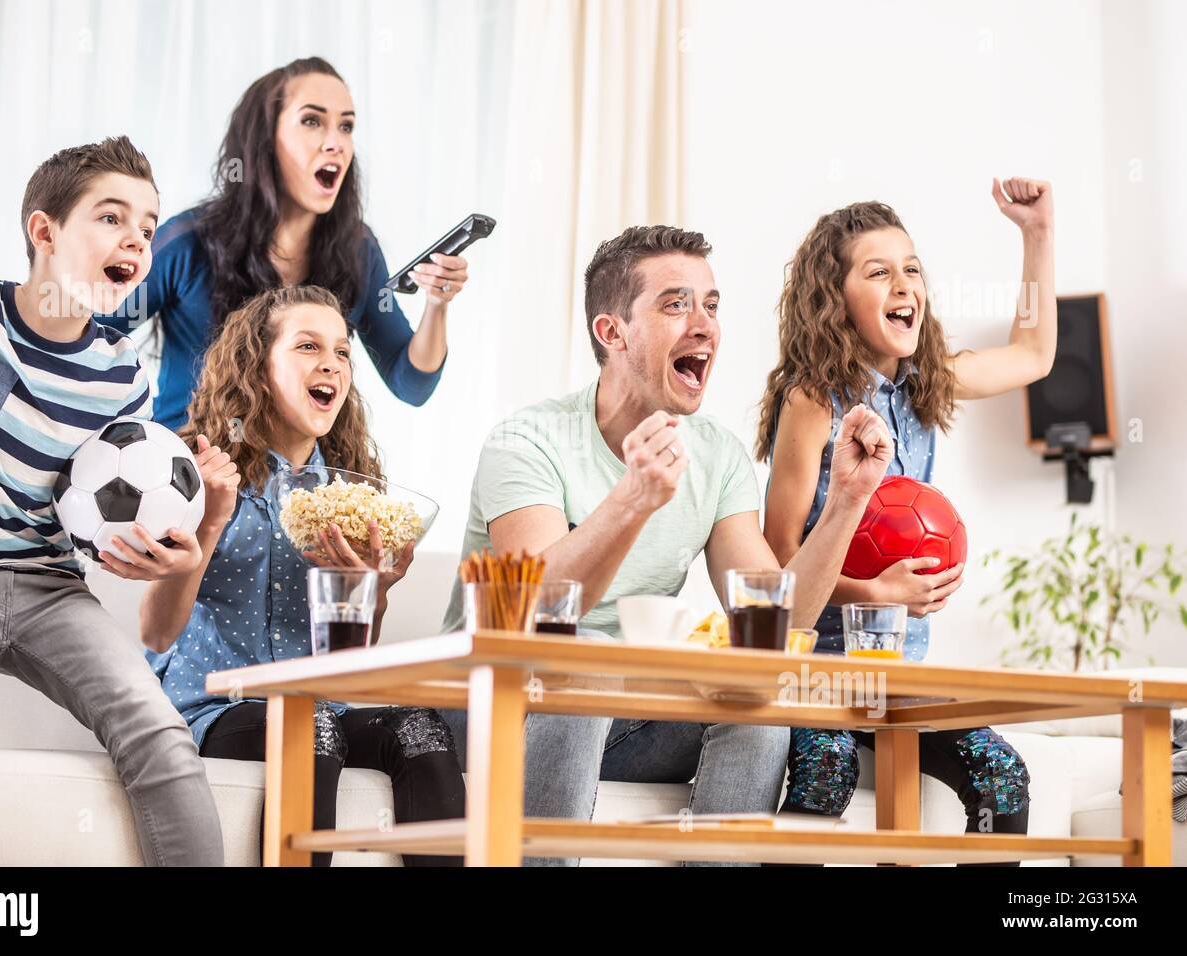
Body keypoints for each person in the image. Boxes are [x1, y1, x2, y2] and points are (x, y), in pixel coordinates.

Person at [442, 224, 894, 865]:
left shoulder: (717, 455)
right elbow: (536, 611)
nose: (705, 325)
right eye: (676, 304)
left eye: (712, 305)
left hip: (626, 713)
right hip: (495, 704)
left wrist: (848, 501)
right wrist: (633, 498)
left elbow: (775, 621)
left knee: (754, 706)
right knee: (586, 667)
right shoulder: (526, 441)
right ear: (612, 333)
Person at [0, 137, 224, 865]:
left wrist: (156, 555)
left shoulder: (121, 378)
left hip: (49, 589)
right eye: (111, 217)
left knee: (160, 731)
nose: (135, 238)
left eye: (146, 226)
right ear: (44, 232)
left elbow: (103, 523)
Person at [757, 178, 1057, 855]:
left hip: (897, 675)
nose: (904, 285)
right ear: (835, 299)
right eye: (879, 271)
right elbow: (775, 566)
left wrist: (1035, 234)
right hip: (817, 670)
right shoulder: (811, 400)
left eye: (912, 269)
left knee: (1003, 778)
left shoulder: (927, 384)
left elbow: (1035, 356)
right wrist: (876, 592)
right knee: (826, 772)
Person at [133, 285, 466, 866]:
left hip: (322, 706)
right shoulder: (196, 470)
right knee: (307, 723)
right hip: (211, 709)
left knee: (422, 727)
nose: (331, 364)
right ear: (256, 368)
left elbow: (351, 654)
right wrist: (210, 522)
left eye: (342, 352)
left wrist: (376, 587)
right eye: (308, 346)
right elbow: (157, 633)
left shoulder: (350, 490)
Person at [99, 56, 471, 430]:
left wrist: (437, 304)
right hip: (191, 469)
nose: (336, 143)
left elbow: (411, 384)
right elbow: (94, 341)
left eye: (346, 126)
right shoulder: (188, 243)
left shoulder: (357, 251)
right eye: (312, 121)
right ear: (265, 140)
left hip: (300, 479)